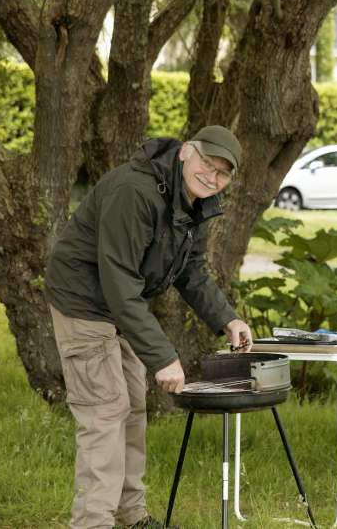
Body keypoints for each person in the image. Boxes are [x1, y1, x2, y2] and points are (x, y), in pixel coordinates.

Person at [46, 125, 253, 529]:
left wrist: (226, 317)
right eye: (206, 164)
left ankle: (132, 515)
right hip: (85, 300)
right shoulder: (136, 192)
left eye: (222, 173)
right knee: (105, 411)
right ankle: (94, 522)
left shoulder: (197, 201)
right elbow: (119, 279)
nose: (212, 177)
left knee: (132, 408)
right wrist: (163, 357)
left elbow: (190, 271)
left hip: (121, 303)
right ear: (184, 154)